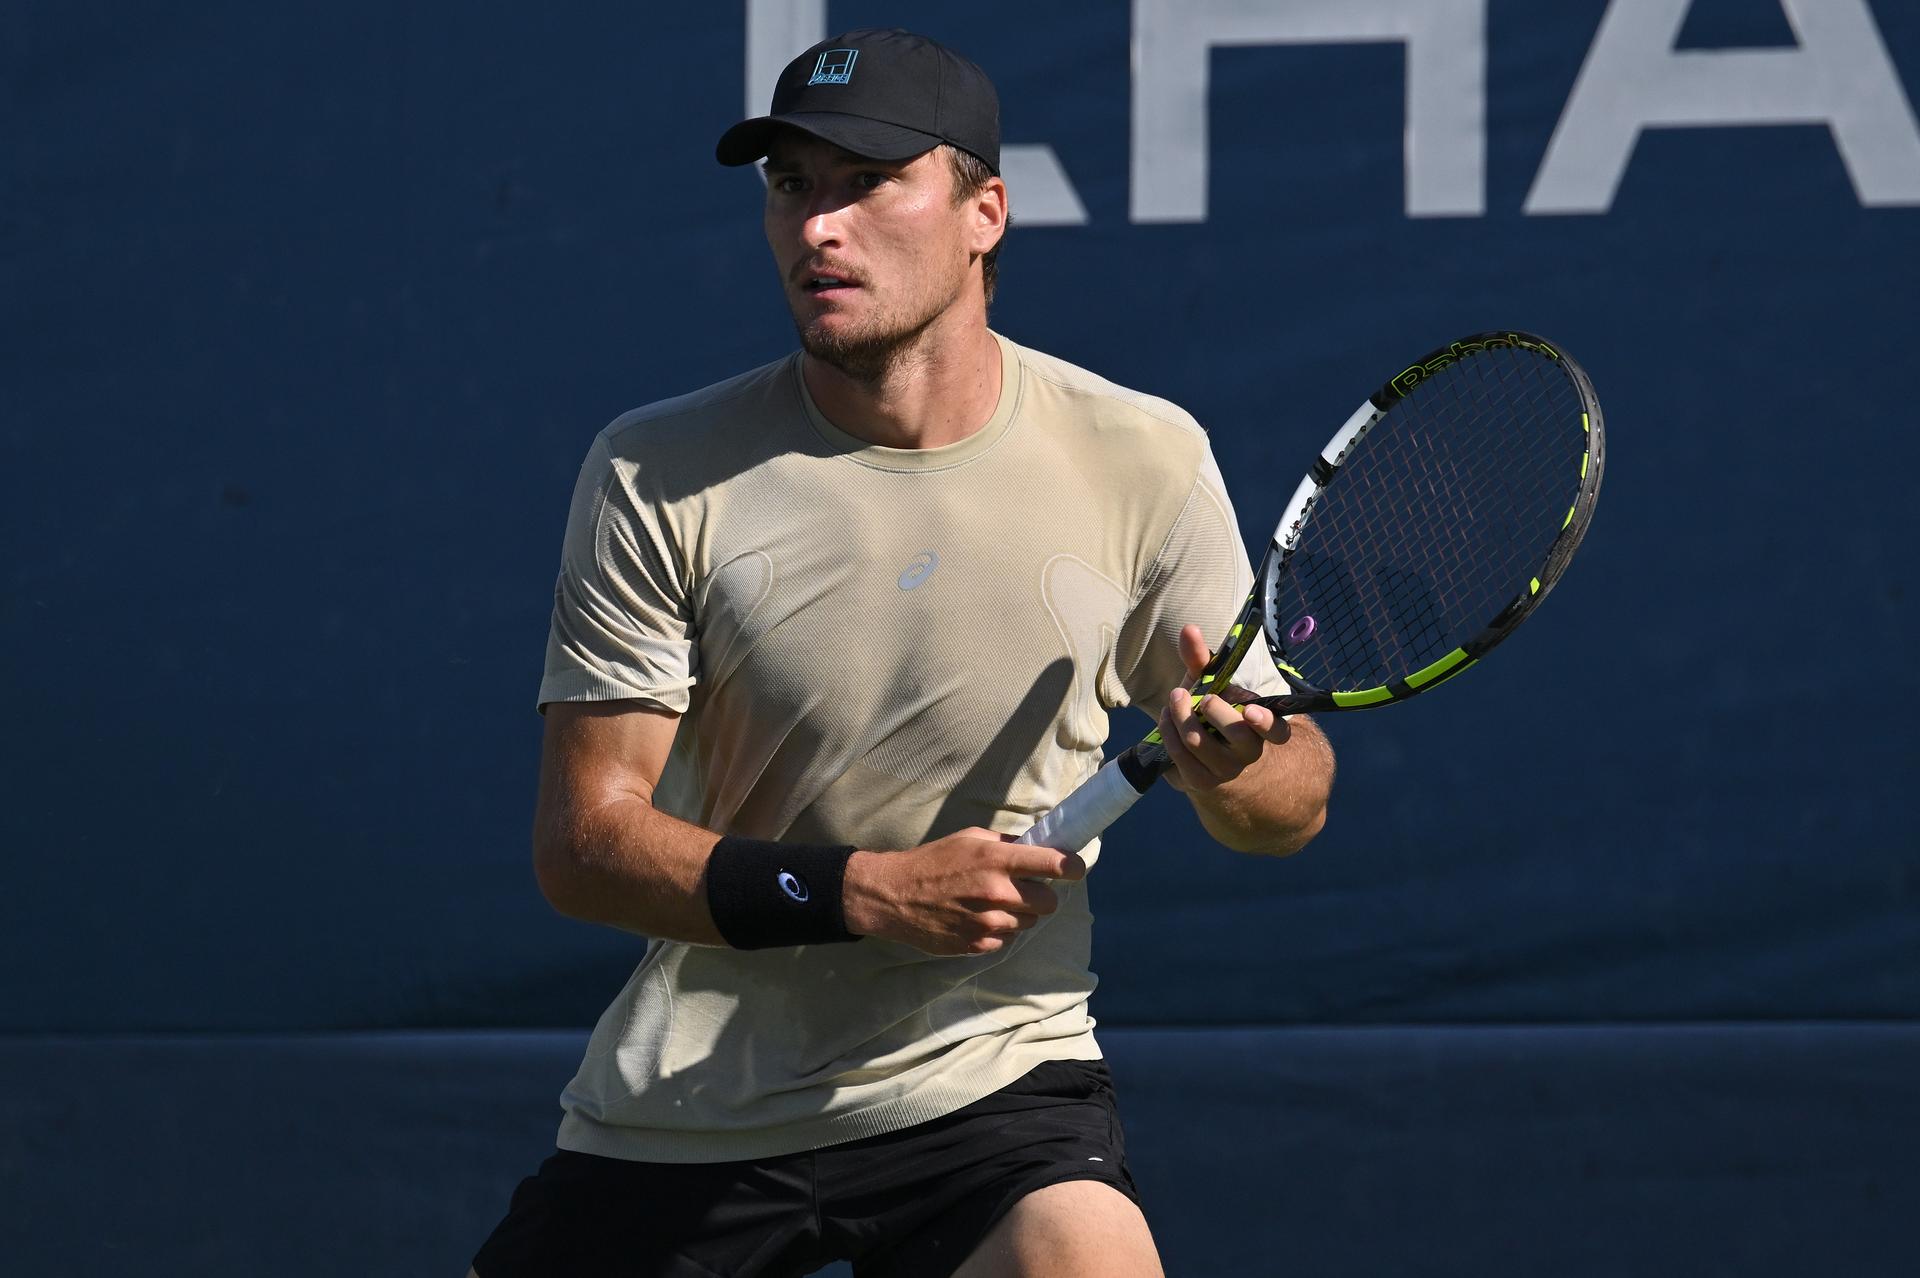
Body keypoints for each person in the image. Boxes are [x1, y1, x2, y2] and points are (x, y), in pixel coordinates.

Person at [470, 27, 1334, 1278]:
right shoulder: (655, 472)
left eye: (865, 182)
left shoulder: (1142, 455)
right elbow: (585, 846)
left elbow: (1288, 807)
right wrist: (868, 892)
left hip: (994, 1090)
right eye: (789, 186)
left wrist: (1235, 768)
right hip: (692, 1116)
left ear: (984, 212)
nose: (818, 226)